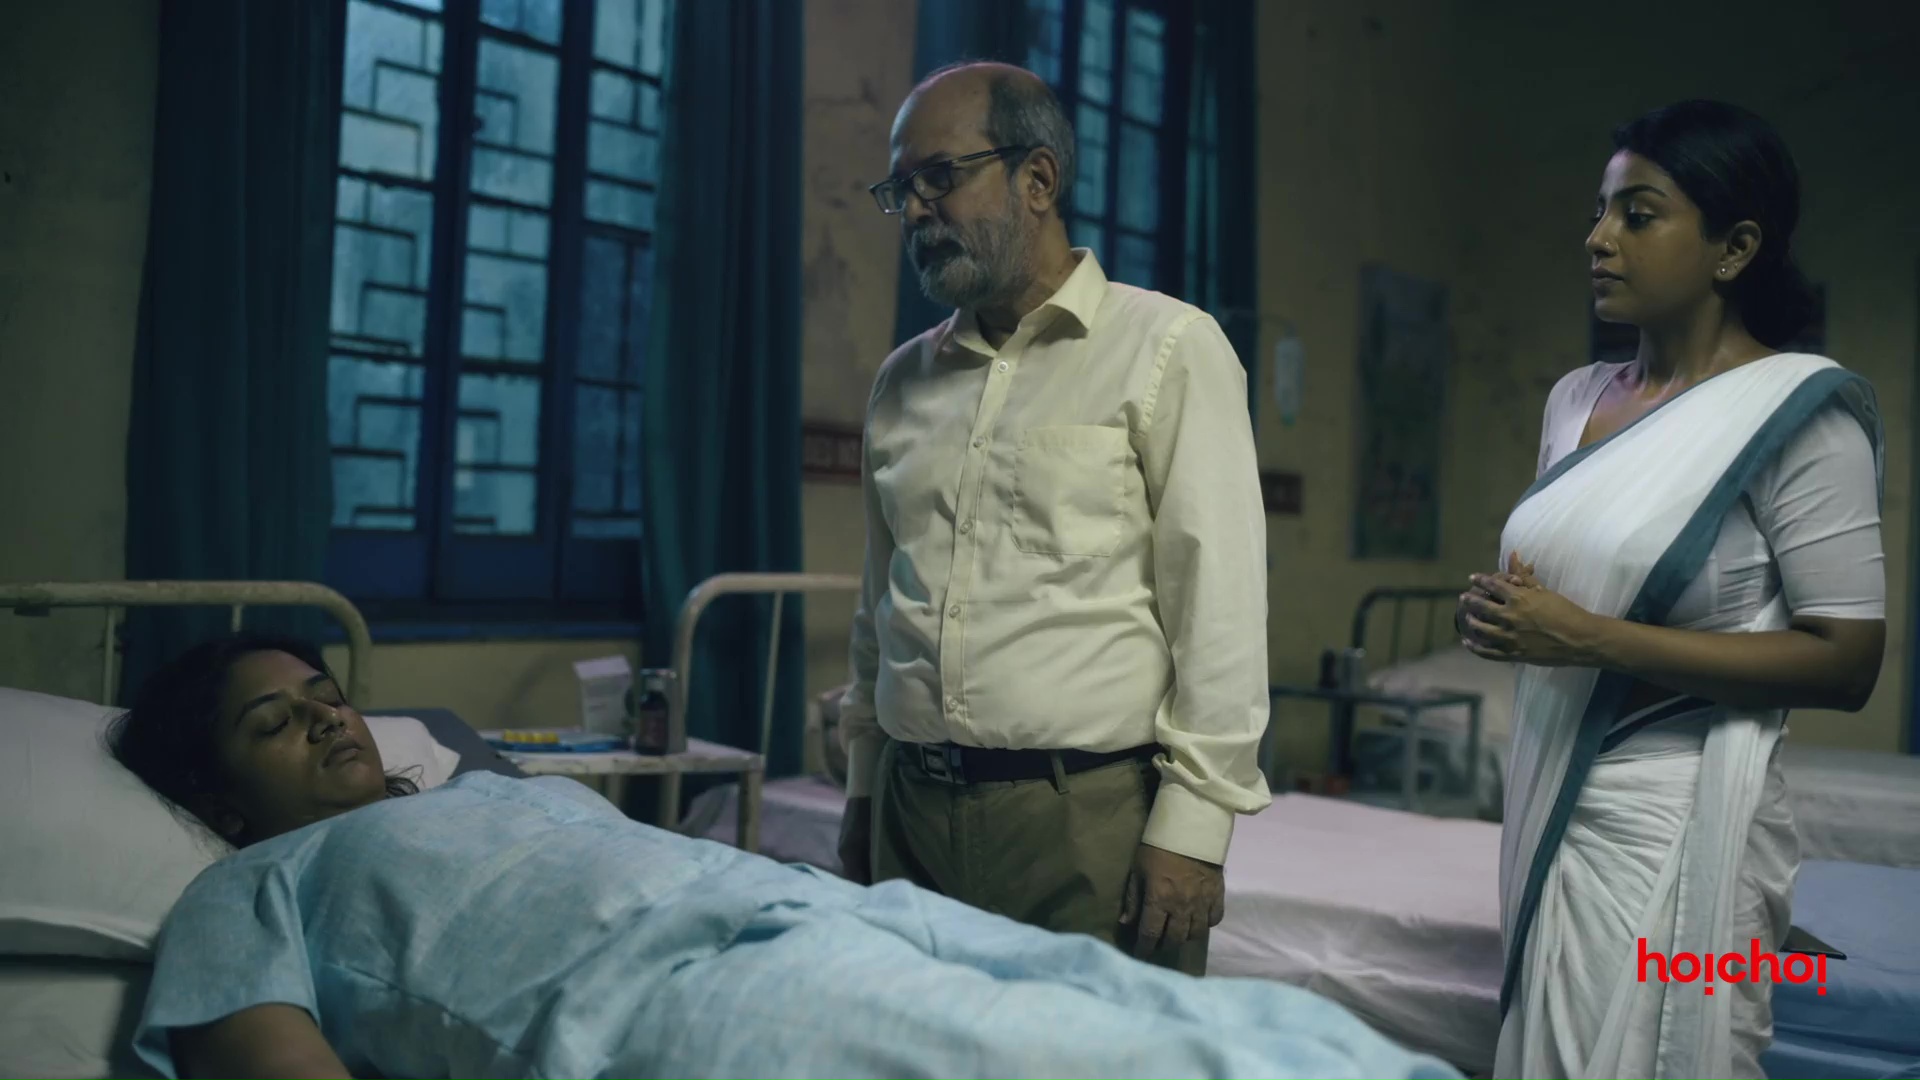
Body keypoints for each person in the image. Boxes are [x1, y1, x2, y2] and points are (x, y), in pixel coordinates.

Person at [110, 634, 1461, 1080]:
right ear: (217, 795)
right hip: (674, 1003)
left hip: (819, 911)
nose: (327, 720)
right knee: (1082, 1063)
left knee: (1216, 1023)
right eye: (274, 723)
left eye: (327, 694)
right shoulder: (251, 890)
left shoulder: (492, 791)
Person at [1455, 101, 1885, 1080]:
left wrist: (1587, 638)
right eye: (1600, 211)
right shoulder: (1576, 399)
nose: (1598, 238)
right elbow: (1570, 586)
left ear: (1735, 248)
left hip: (1680, 820)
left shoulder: (1799, 416)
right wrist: (1502, 617)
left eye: (1638, 215)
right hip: (1553, 803)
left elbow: (1847, 662)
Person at [836, 60, 1271, 976]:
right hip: (910, 815)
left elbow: (1221, 613)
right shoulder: (902, 382)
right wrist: (864, 787)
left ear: (1037, 179)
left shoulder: (1168, 349)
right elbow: (881, 606)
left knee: (1100, 1049)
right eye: (901, 189)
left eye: (939, 178)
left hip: (1089, 824)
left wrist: (1195, 826)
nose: (914, 211)